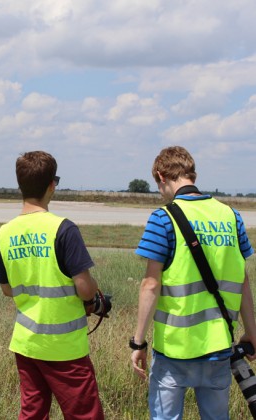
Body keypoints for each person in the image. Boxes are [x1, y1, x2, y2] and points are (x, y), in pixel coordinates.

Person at [130, 146, 256, 419]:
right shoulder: (232, 217)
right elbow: (243, 280)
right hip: (219, 347)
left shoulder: (163, 218)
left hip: (175, 350)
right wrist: (252, 331)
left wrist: (138, 342)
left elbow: (150, 285)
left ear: (162, 176)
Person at [0, 151, 105, 420]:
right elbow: (85, 289)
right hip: (64, 346)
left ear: (20, 184)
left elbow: (7, 289)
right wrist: (96, 298)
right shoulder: (63, 229)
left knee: (33, 412)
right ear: (52, 185)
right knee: (85, 415)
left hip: (27, 343)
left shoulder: (5, 232)